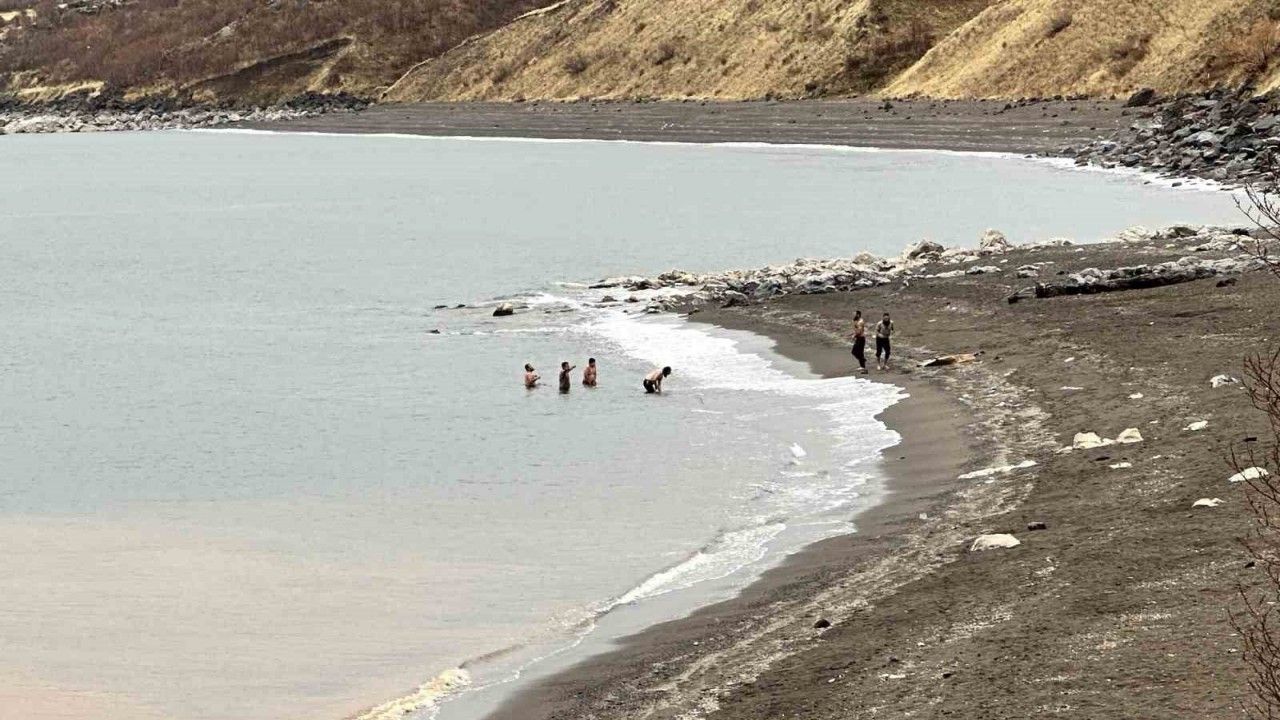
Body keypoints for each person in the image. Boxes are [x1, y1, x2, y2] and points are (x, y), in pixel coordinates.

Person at [850, 310, 867, 375]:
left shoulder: (860, 322)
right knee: (857, 352)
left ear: (858, 315)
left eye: (854, 314)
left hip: (861, 338)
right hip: (858, 338)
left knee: (856, 352)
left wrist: (854, 335)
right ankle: (862, 364)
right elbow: (856, 329)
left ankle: (863, 364)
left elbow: (859, 331)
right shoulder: (856, 321)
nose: (853, 315)